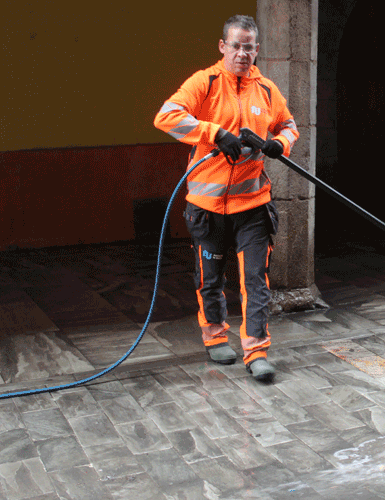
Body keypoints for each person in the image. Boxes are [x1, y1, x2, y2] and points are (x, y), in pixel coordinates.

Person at [154, 15, 298, 383]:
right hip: (207, 208)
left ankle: (257, 351)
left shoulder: (266, 90)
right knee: (211, 278)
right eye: (235, 45)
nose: (242, 53)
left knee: (255, 280)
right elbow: (167, 117)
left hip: (252, 207)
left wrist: (279, 143)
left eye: (249, 47)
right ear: (223, 47)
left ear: (257, 50)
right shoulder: (205, 82)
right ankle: (216, 337)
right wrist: (214, 133)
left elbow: (288, 125)